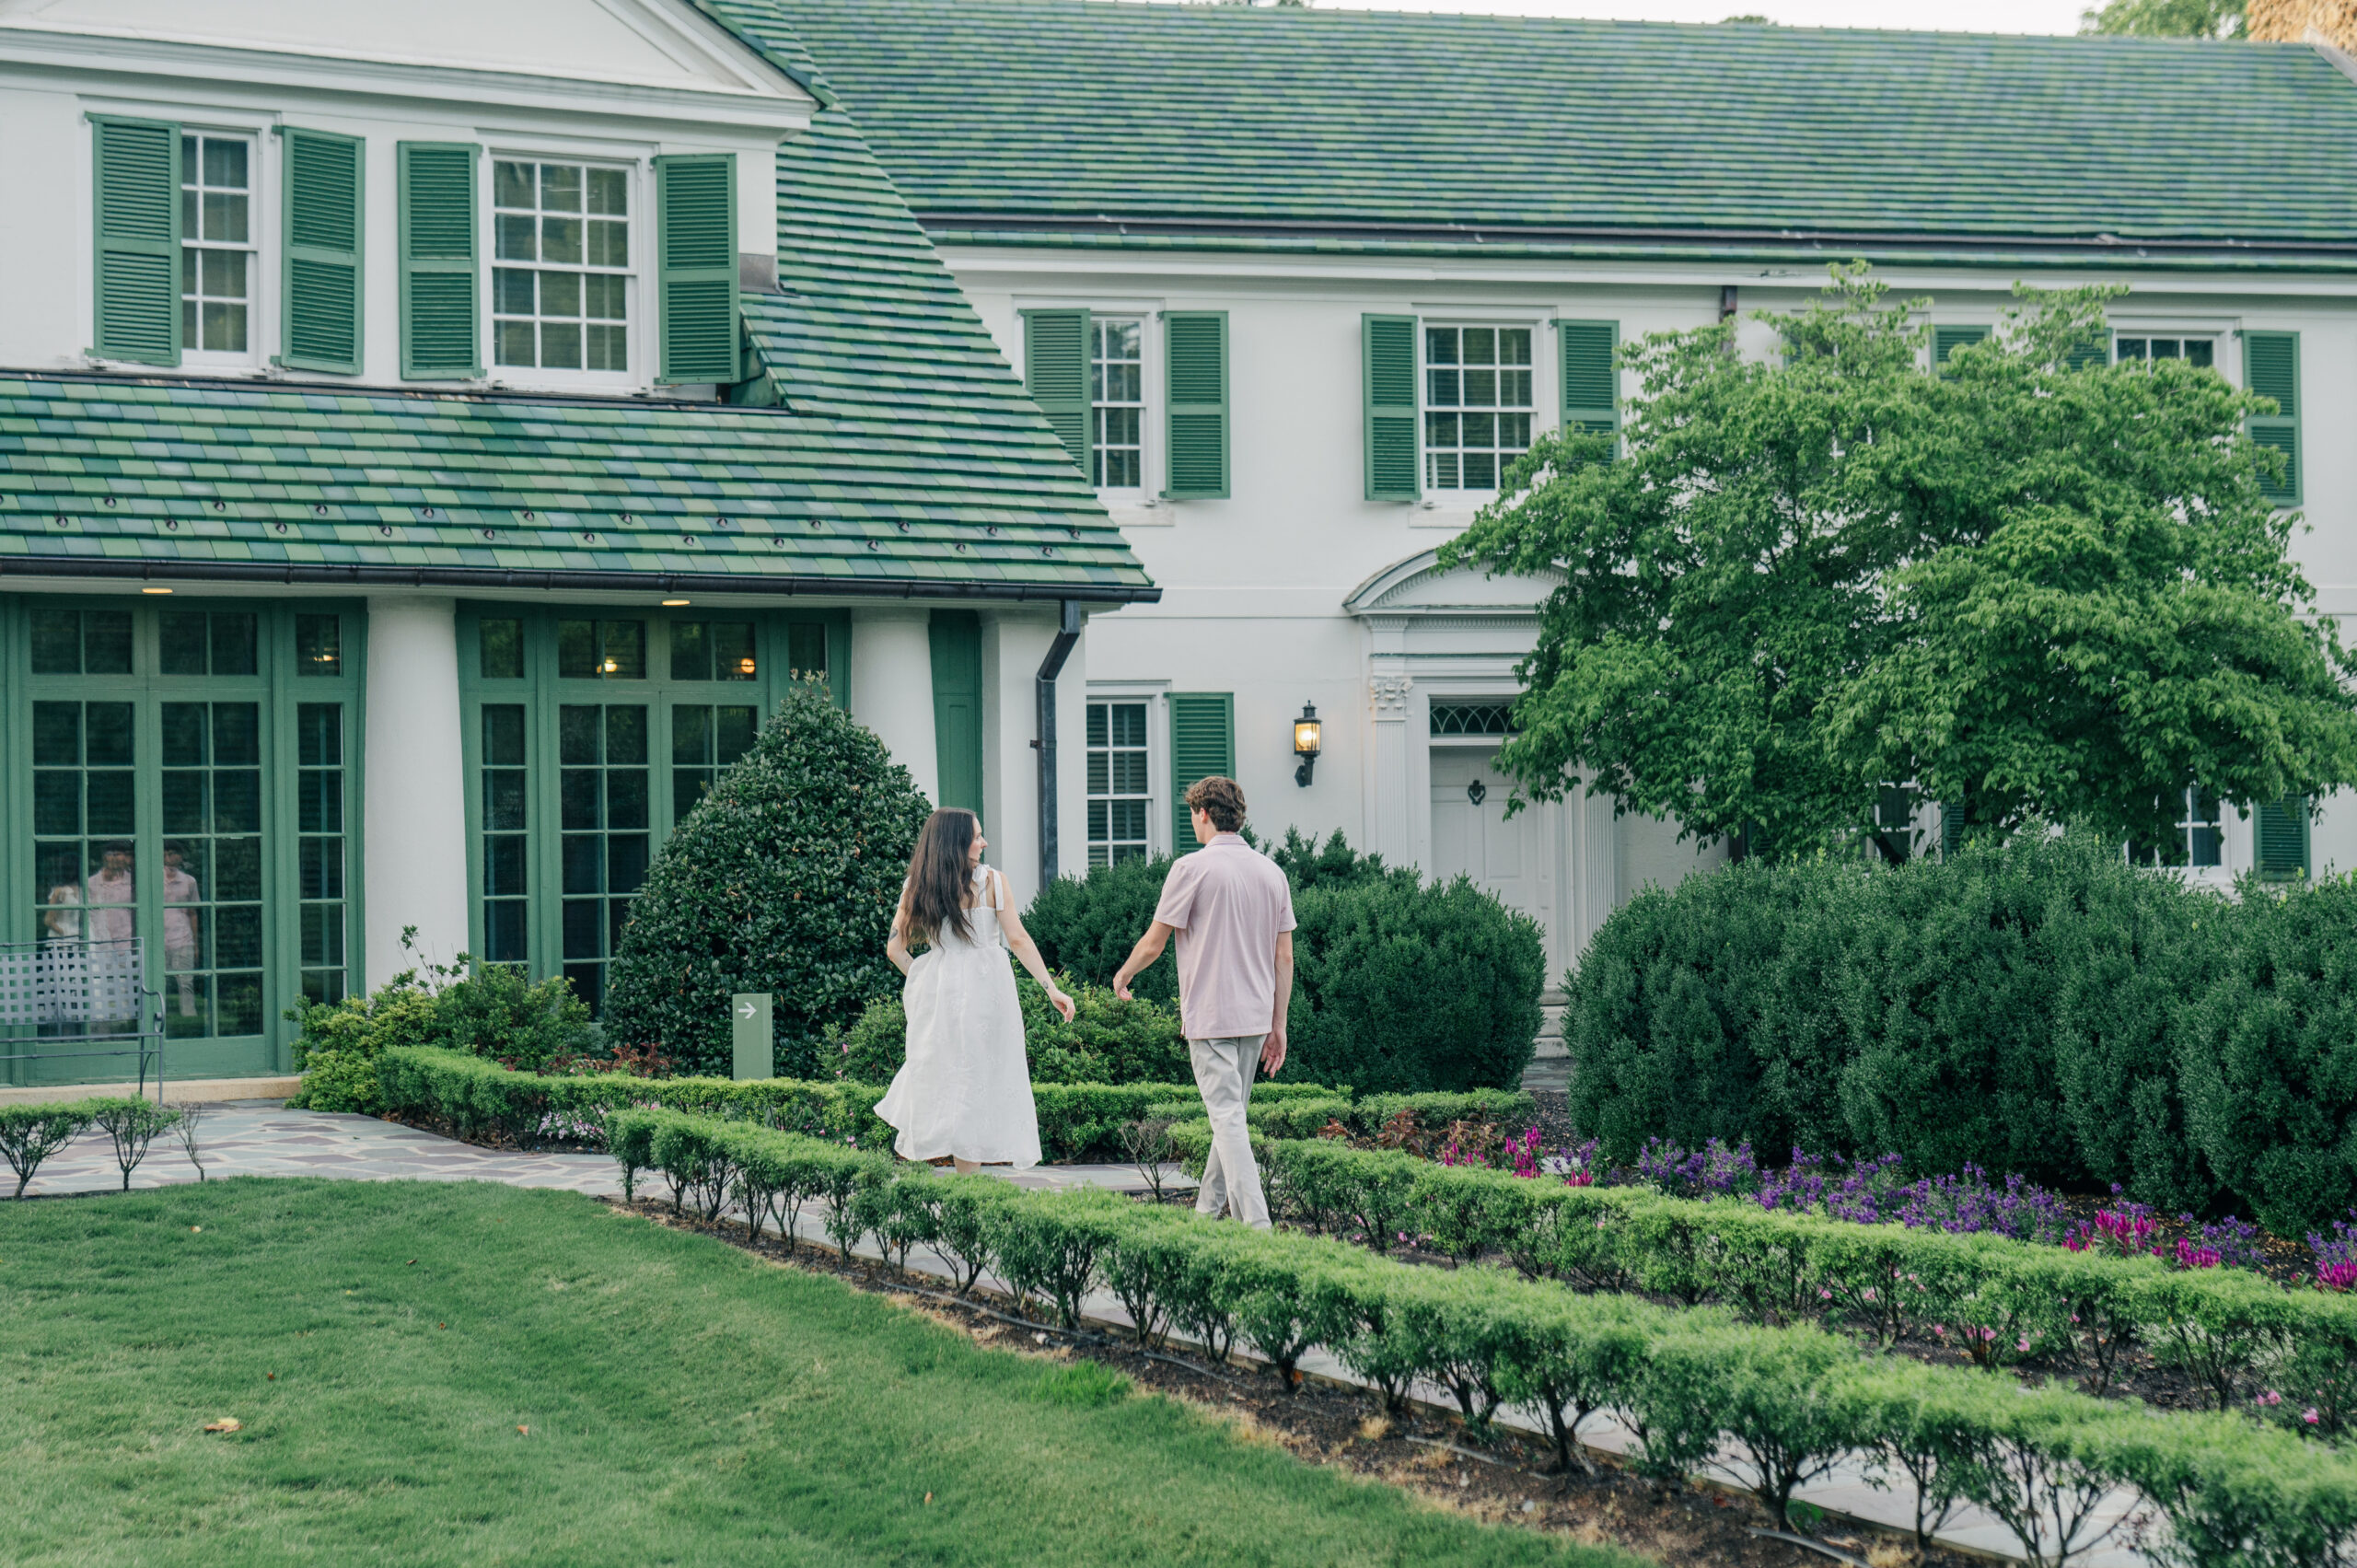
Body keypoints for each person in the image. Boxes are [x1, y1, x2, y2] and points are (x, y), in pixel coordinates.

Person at [1112, 776, 1294, 1229]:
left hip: (1212, 1018)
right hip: (1255, 1019)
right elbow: (1284, 957)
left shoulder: (1190, 868)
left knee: (1228, 1120)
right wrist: (1279, 1024)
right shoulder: (1272, 873)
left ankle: (1258, 1229)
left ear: (1204, 814)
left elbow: (1154, 943)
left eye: (1193, 814)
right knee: (1229, 1119)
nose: (1193, 822)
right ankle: (1204, 1217)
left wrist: (1124, 973)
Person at [878, 809, 1074, 1173]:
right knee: (980, 1079)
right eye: (977, 836)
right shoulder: (994, 882)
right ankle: (969, 1183)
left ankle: (966, 1180)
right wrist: (1052, 989)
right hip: (989, 994)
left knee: (951, 1079)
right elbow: (1018, 939)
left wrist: (923, 980)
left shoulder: (918, 885)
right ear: (956, 842)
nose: (984, 843)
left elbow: (895, 949)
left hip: (943, 999)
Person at [161, 842, 201, 1018]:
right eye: (166, 853)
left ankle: (189, 1015)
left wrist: (196, 944)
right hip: (159, 938)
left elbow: (193, 913)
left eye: (173, 853)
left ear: (180, 856)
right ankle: (160, 1015)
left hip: (183, 938)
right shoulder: (154, 878)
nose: (169, 857)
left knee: (186, 982)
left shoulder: (189, 881)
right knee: (159, 981)